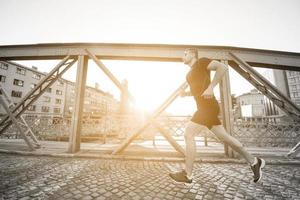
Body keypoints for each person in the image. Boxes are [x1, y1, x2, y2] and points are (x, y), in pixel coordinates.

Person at [169, 48, 265, 183]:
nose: (182, 56)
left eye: (185, 53)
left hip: (208, 107)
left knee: (188, 134)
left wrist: (211, 87)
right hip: (204, 107)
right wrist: (186, 94)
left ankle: (187, 174)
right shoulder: (189, 74)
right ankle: (254, 161)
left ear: (192, 53)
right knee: (225, 138)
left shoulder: (201, 62)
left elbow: (222, 67)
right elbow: (198, 91)